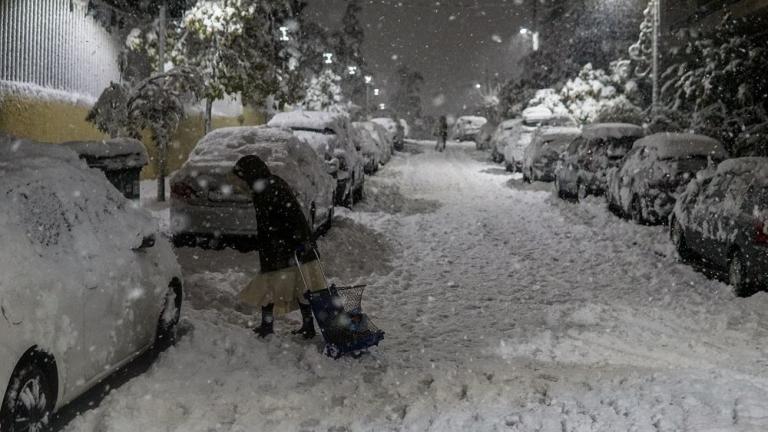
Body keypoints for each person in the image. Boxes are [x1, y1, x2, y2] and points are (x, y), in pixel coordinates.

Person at [233, 155, 327, 339]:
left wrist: (298, 242)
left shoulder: (267, 190)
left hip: (286, 245)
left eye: (241, 177)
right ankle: (305, 325)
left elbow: (289, 217)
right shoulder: (269, 184)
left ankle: (270, 326)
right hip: (284, 244)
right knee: (298, 285)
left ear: (250, 174)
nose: (240, 183)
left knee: (277, 284)